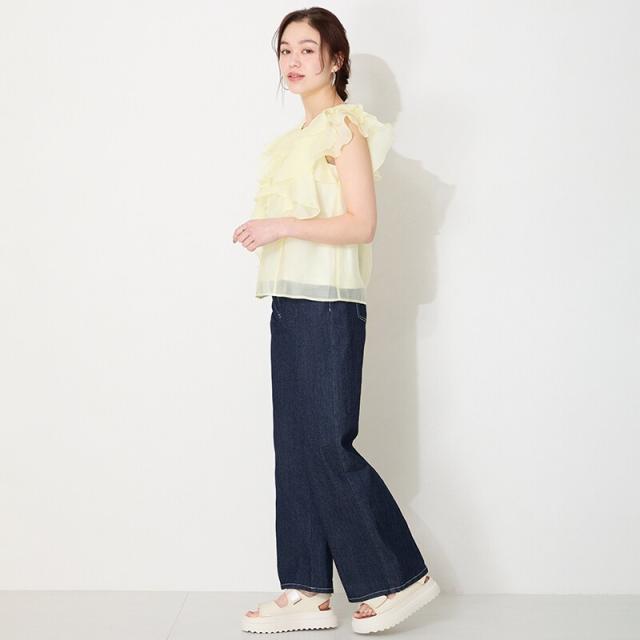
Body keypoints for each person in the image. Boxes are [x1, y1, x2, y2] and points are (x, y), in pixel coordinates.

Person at [233, 7, 440, 634]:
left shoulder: (344, 130)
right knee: (295, 448)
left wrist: (281, 224)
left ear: (335, 58)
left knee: (326, 443)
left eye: (306, 49)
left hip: (329, 306)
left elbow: (361, 223)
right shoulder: (295, 138)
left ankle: (398, 578)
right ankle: (306, 589)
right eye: (285, 50)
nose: (293, 61)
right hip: (292, 302)